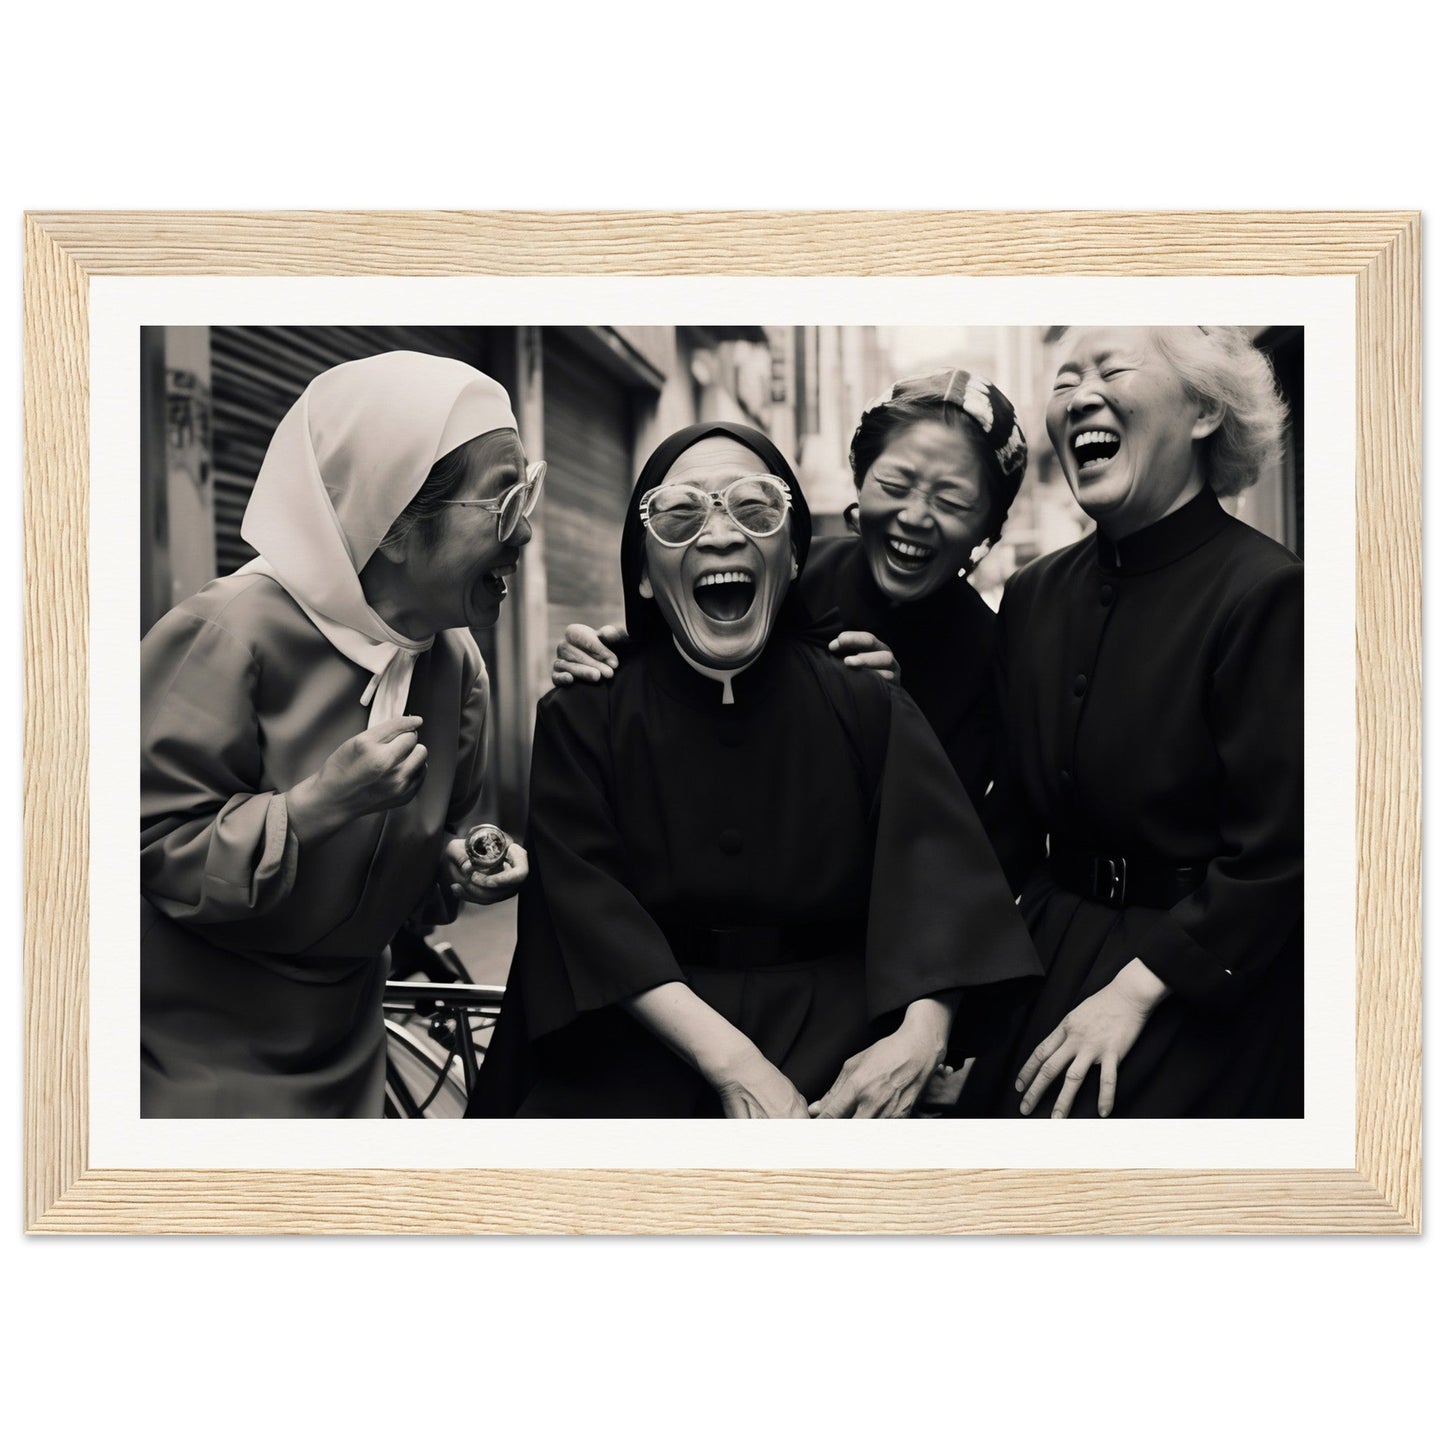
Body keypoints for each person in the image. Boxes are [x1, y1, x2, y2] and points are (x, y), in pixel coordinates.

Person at [468, 421, 1040, 1119]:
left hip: (838, 1045)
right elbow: (585, 913)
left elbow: (943, 886)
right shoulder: (583, 715)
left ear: (793, 553)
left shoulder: (868, 701)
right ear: (643, 572)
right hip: (636, 1039)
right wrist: (733, 1063)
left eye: (754, 508)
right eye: (680, 514)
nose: (719, 534)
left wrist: (922, 1032)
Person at [141, 351, 535, 1118]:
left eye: (531, 490)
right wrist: (317, 805)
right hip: (189, 1048)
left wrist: (452, 866)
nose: (525, 533)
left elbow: (419, 862)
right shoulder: (223, 633)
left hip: (354, 1040)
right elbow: (146, 848)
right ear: (391, 522)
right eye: (504, 501)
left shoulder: (457, 666)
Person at [961, 325, 1303, 1119]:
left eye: (1112, 369)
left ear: (1203, 414)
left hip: (1203, 971)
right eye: (1065, 378)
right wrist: (936, 1005)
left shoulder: (1265, 591)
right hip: (1050, 945)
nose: (1081, 394)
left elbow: (1282, 849)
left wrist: (1141, 989)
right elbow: (1002, 826)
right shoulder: (1032, 594)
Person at [551, 370, 1028, 808]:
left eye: (951, 500)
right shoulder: (782, 571)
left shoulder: (992, 654)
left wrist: (891, 721)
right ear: (860, 482)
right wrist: (610, 654)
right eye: (894, 484)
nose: (915, 517)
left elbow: (954, 829)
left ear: (989, 526)